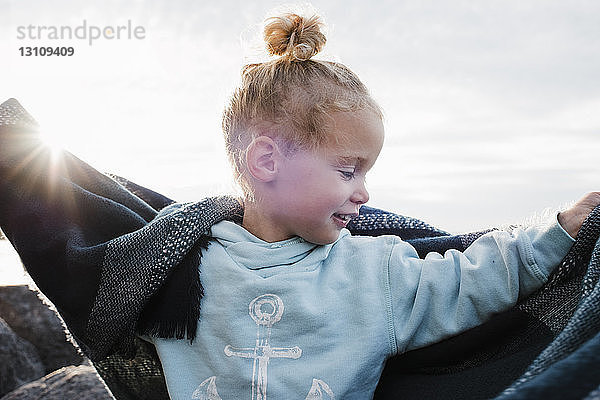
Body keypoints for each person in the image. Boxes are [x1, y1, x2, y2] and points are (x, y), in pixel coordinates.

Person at [131, 11, 600, 400]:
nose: (364, 193)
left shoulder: (374, 273)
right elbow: (73, 245)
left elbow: (469, 278)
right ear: (267, 160)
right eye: (347, 170)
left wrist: (561, 229)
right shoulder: (173, 263)